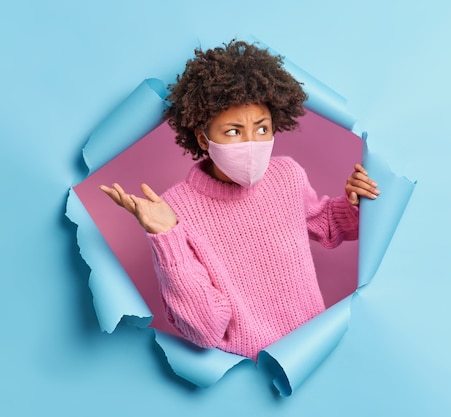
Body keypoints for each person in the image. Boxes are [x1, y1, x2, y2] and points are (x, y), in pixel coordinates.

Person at [100, 40, 380, 359]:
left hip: (315, 350)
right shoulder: (173, 210)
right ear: (203, 137)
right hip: (250, 373)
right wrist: (167, 238)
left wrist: (356, 203)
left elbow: (327, 225)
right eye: (233, 131)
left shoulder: (286, 174)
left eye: (262, 129)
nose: (251, 143)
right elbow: (204, 329)